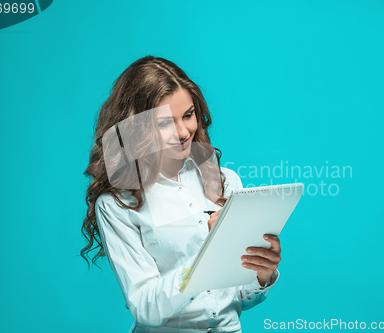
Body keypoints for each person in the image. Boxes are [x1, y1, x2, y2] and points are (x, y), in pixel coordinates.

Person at [81, 55, 282, 333]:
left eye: (188, 115)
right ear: (138, 127)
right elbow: (145, 308)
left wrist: (262, 273)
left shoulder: (225, 182)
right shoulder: (118, 203)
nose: (183, 131)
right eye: (164, 123)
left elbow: (232, 300)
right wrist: (209, 253)